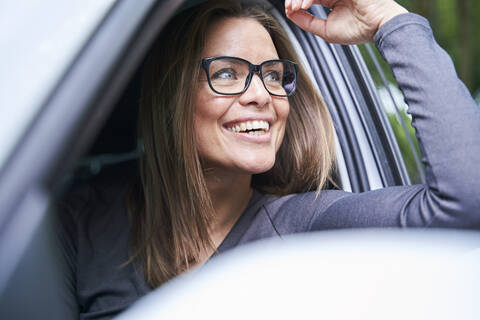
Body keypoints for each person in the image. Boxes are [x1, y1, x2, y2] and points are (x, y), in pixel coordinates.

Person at [58, 0, 480, 319]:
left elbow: (466, 198)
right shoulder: (84, 217)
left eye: (274, 75)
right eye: (227, 73)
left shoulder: (304, 227)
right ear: (170, 98)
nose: (262, 94)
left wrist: (391, 22)